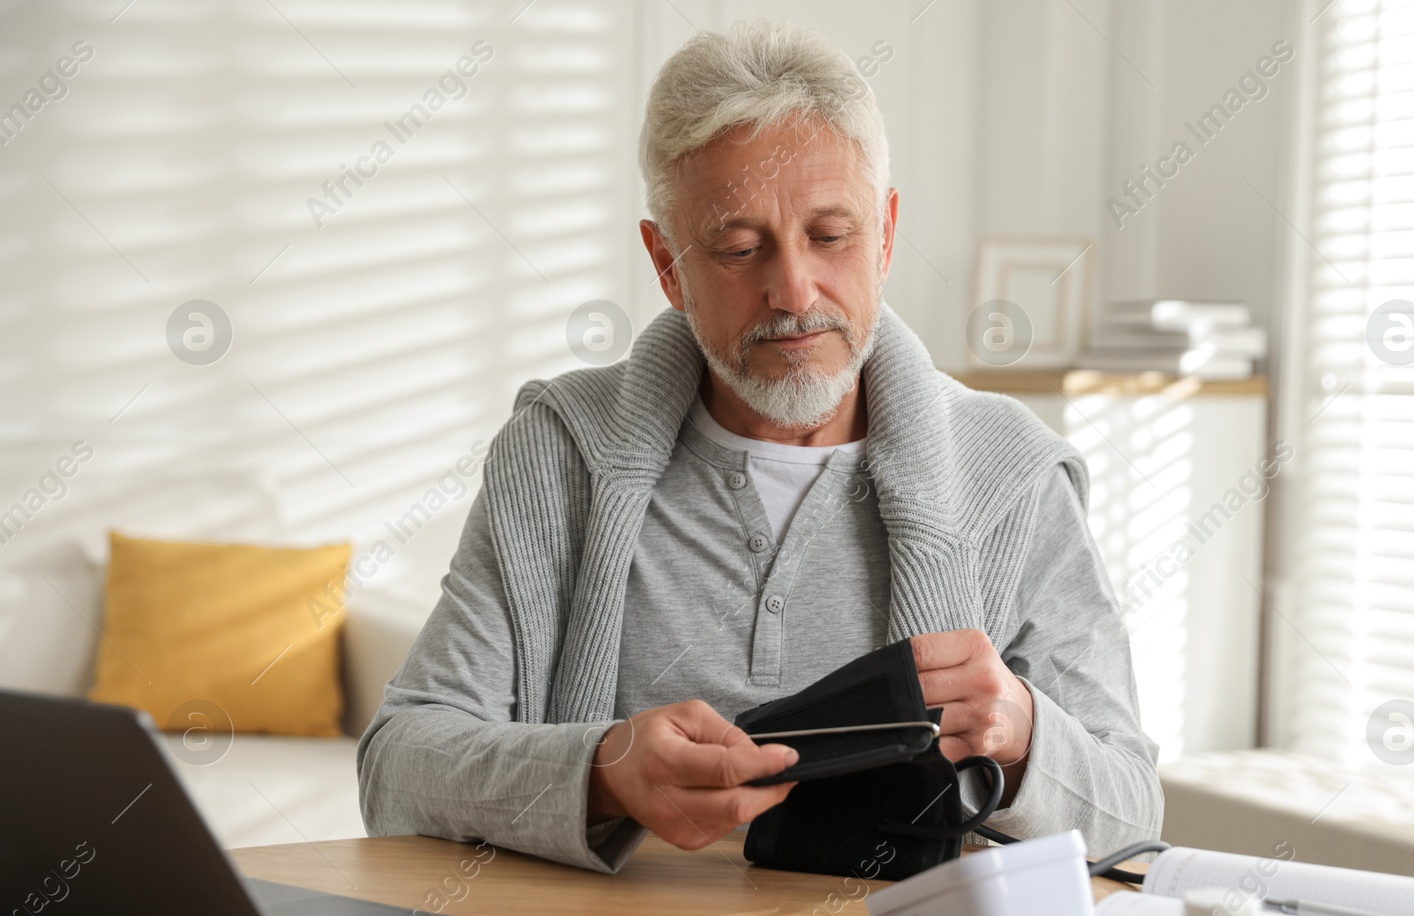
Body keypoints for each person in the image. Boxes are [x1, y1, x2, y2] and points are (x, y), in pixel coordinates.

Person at [357, 20, 1162, 873]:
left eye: (831, 236)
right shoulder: (559, 451)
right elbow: (398, 768)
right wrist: (599, 771)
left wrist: (1024, 730)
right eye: (739, 249)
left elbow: (1133, 812)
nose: (793, 290)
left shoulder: (1014, 474)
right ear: (667, 264)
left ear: (886, 235)